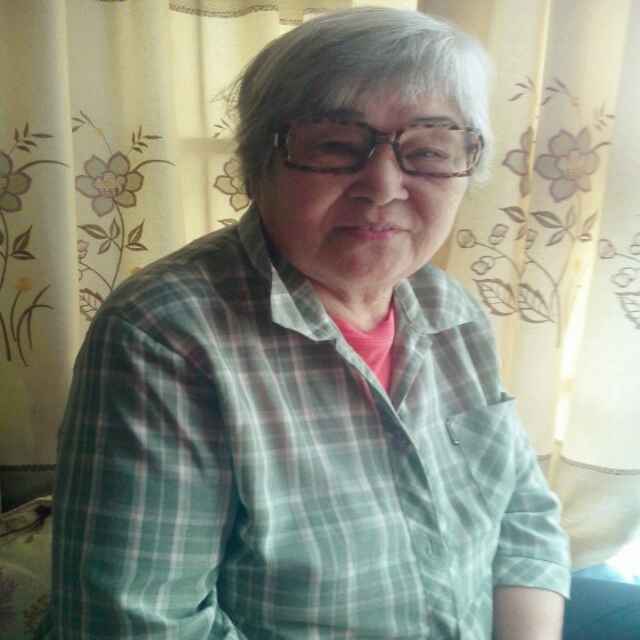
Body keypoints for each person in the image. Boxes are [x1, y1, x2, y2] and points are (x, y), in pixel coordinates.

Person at [44, 7, 571, 639]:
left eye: (428, 151)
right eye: (335, 147)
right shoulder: (165, 335)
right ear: (257, 166)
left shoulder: (450, 310)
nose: (383, 186)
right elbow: (139, 625)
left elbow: (523, 515)